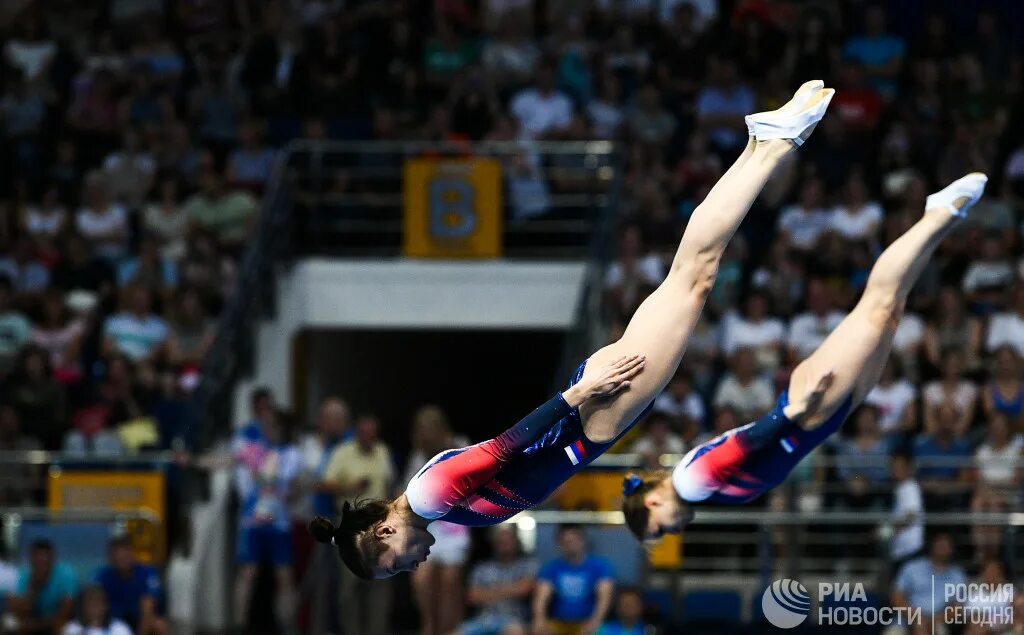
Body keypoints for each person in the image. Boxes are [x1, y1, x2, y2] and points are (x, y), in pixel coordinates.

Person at [309, 80, 837, 579]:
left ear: (384, 529)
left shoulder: (428, 497)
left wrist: (578, 393)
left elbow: (503, 447)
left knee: (693, 276)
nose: (408, 567)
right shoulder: (435, 507)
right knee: (692, 277)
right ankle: (763, 147)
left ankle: (769, 145)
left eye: (393, 562)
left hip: (591, 411)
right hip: (592, 422)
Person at [621, 172, 989, 541]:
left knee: (876, 308)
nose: (672, 530)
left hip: (805, 412)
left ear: (653, 504)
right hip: (817, 422)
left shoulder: (689, 483)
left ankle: (938, 215)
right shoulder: (695, 488)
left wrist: (790, 413)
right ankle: (943, 219)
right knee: (890, 313)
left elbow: (742, 443)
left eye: (660, 529)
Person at [532, 526, 615, 635]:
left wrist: (595, 620)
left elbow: (604, 598)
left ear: (583, 541)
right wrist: (539, 619)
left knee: (602, 631)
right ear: (559, 545)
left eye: (574, 541)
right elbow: (541, 598)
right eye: (566, 542)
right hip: (559, 622)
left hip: (588, 621)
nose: (571, 545)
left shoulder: (600, 567)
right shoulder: (551, 568)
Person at [456, 526, 537, 635]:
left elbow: (525, 589)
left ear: (516, 540)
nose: (504, 544)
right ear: (494, 542)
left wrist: (488, 592)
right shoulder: (482, 568)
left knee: (515, 632)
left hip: (514, 620)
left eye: (508, 540)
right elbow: (473, 596)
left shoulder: (528, 565)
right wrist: (513, 589)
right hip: (482, 621)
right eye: (501, 541)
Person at [93, 536, 167, 635]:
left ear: (132, 555)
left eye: (125, 557)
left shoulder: (147, 574)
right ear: (111, 558)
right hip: (113, 621)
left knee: (159, 625)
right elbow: (93, 604)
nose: (122, 561)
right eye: (118, 558)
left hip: (140, 621)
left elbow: (147, 611)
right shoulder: (102, 577)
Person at [8, 539, 78, 635]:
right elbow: (18, 612)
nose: (40, 565)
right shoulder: (23, 575)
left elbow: (65, 612)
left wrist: (38, 625)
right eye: (37, 561)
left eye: (44, 561)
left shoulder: (66, 575)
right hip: (33, 621)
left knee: (63, 627)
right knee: (11, 625)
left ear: (52, 560)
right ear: (30, 560)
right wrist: (33, 588)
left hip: (57, 622)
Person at [61, 586, 132, 635]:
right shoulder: (72, 629)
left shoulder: (119, 628)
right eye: (91, 603)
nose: (94, 608)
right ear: (83, 606)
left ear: (105, 606)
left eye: (97, 603)